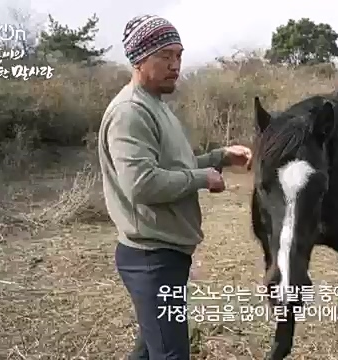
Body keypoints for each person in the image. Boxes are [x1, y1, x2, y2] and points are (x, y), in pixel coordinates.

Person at [97, 14, 252, 360]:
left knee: (151, 350)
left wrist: (221, 156)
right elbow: (141, 184)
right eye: (164, 56)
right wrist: (202, 178)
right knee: (170, 354)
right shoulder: (130, 112)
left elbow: (173, 168)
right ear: (139, 59)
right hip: (150, 258)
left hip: (164, 254)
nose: (175, 65)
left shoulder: (155, 105)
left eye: (178, 55)